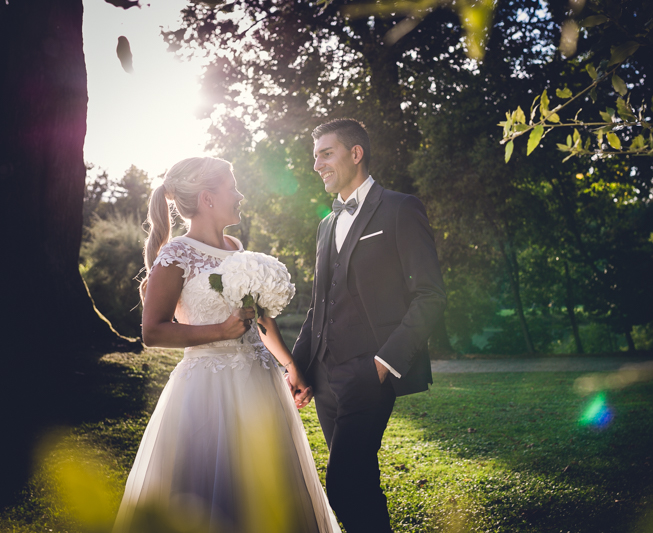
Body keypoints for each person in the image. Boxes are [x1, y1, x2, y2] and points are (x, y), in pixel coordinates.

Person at [113, 157, 340, 533]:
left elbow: (260, 318)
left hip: (259, 383)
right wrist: (220, 330)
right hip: (207, 387)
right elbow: (152, 332)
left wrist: (290, 365)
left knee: (268, 484)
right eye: (232, 188)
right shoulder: (176, 255)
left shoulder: (236, 246)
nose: (240, 195)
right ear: (207, 199)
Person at [291, 119, 447, 533]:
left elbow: (430, 294)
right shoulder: (326, 224)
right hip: (324, 375)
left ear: (355, 153)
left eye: (326, 153)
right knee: (360, 483)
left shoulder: (399, 208)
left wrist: (384, 363)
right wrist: (299, 367)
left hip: (368, 372)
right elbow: (318, 306)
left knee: (342, 485)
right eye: (315, 157)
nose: (317, 164)